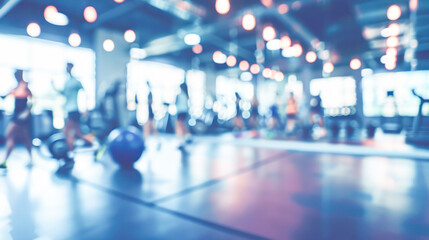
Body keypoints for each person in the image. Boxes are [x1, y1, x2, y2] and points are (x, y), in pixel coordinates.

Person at [53, 63, 92, 163]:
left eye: (69, 67)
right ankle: (92, 142)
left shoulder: (76, 82)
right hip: (68, 110)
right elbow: (63, 94)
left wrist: (85, 109)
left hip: (74, 110)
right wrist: (53, 85)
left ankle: (70, 154)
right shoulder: (67, 82)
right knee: (77, 133)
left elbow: (85, 94)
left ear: (71, 68)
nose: (67, 69)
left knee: (66, 132)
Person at [0, 70, 33, 169]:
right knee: (24, 138)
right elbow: (4, 97)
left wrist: (26, 112)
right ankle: (31, 158)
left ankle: (5, 161)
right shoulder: (15, 88)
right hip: (16, 115)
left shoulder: (25, 86)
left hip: (21, 117)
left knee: (9, 135)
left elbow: (32, 100)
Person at [175, 83, 191, 150]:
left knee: (179, 126)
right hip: (185, 112)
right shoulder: (186, 95)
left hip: (180, 112)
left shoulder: (179, 95)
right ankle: (188, 136)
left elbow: (175, 102)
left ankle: (181, 142)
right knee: (182, 125)